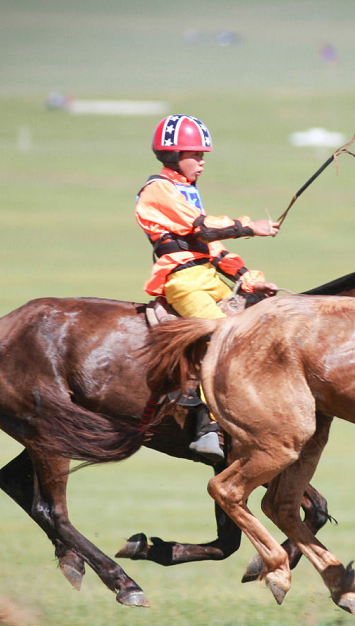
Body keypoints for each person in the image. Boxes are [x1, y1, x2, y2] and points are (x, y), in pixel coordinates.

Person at [135, 114, 280, 461]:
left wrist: (246, 276)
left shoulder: (188, 191)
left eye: (203, 155)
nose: (202, 162)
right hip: (183, 281)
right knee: (224, 338)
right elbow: (202, 229)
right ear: (173, 156)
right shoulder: (159, 190)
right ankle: (206, 423)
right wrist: (249, 226)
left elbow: (211, 248)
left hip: (207, 277)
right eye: (195, 155)